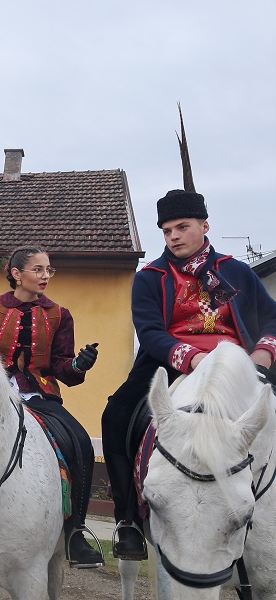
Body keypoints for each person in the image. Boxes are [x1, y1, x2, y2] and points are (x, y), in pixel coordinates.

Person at [103, 189, 276, 560]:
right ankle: (127, 519)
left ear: (204, 226)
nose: (173, 237)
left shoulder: (236, 271)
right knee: (115, 415)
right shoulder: (150, 277)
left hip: (240, 364)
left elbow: (271, 317)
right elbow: (149, 331)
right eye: (167, 231)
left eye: (182, 227)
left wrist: (262, 355)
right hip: (170, 360)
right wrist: (194, 359)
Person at [0, 246, 104, 568]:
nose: (46, 276)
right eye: (38, 269)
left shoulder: (60, 314)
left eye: (48, 270)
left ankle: (75, 531)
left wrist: (79, 364)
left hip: (40, 395)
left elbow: (62, 368)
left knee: (81, 441)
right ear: (17, 274)